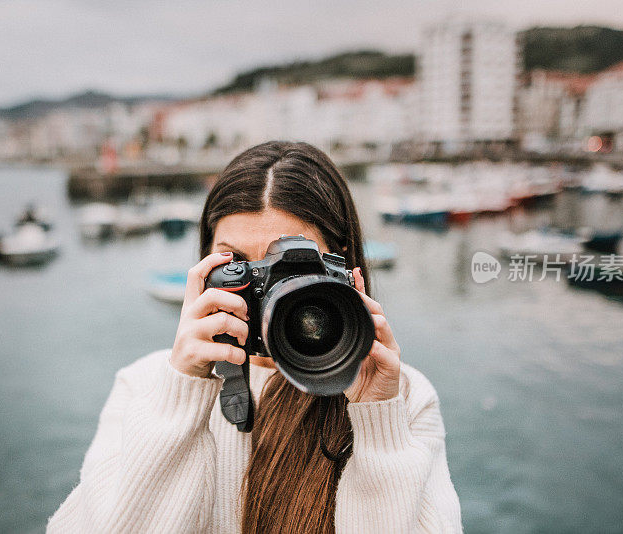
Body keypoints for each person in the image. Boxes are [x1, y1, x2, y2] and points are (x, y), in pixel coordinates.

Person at [47, 141, 462, 533]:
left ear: (343, 268)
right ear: (205, 268)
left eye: (289, 268)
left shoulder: (403, 398)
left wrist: (378, 422)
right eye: (238, 266)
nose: (268, 298)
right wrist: (181, 392)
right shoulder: (144, 387)